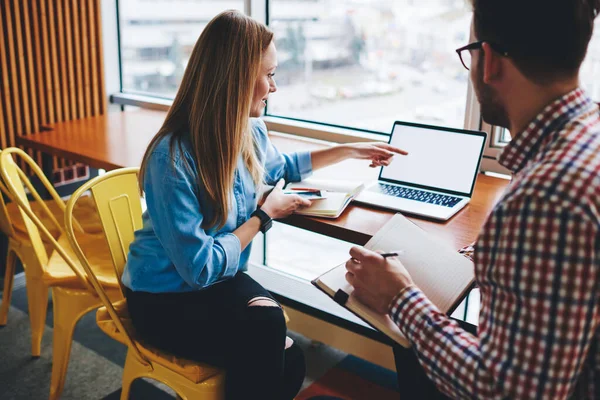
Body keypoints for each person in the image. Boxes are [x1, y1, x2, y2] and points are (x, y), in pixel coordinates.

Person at [121, 10, 407, 400]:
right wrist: (262, 216)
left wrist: (349, 150)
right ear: (237, 79)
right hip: (163, 298)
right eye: (269, 74)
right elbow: (199, 269)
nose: (274, 87)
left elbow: (281, 166)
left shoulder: (248, 130)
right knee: (269, 331)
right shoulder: (171, 159)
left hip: (216, 280)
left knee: (292, 361)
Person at [344, 1, 600, 399]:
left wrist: (398, 297)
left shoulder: (543, 199)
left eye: (469, 54)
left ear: (491, 61)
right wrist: (510, 258)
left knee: (404, 341)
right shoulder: (588, 136)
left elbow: (508, 392)